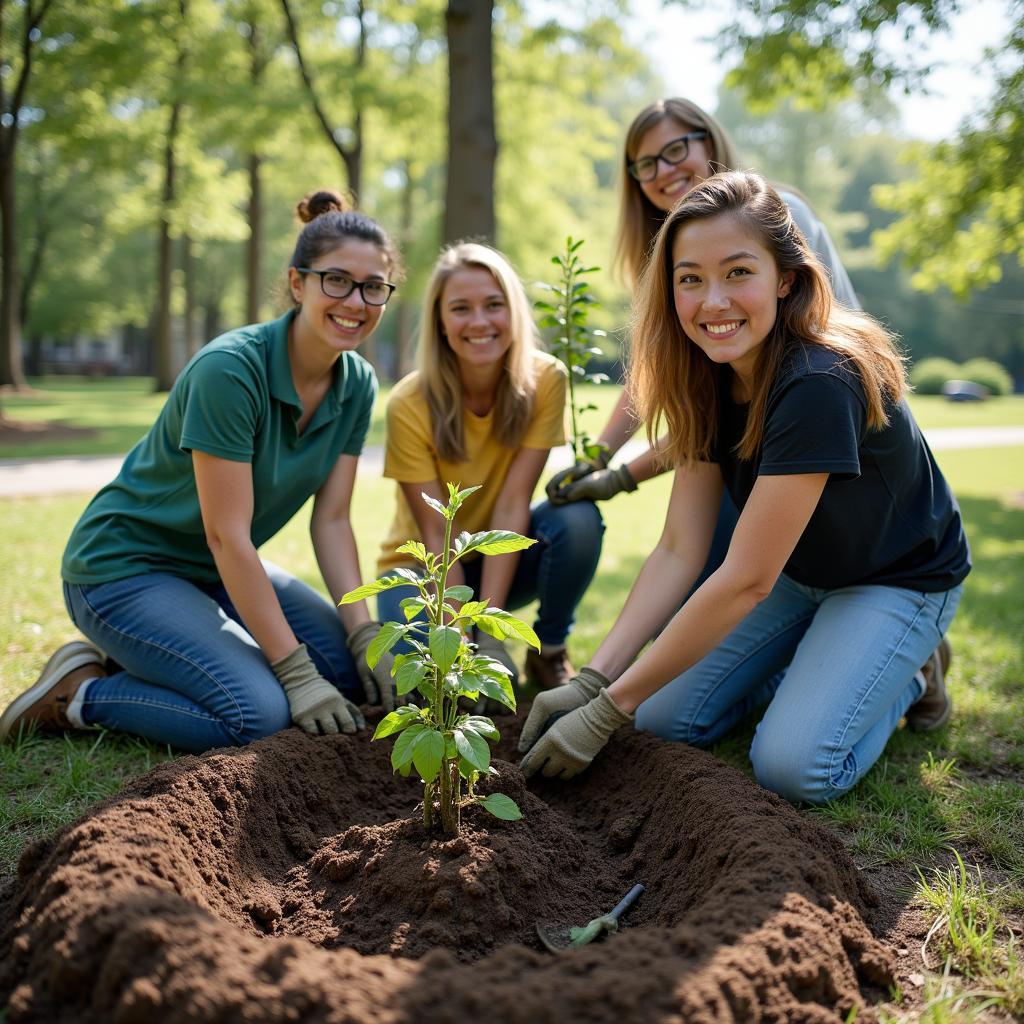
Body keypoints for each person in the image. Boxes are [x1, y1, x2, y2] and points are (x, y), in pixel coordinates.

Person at [519, 171, 970, 804]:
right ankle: (819, 663)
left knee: (793, 767)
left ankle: (911, 677)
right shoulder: (707, 375)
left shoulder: (818, 378)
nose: (713, 302)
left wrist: (604, 713)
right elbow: (680, 549)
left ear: (785, 278)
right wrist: (596, 680)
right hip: (799, 575)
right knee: (661, 718)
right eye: (690, 278)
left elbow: (746, 580)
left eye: (738, 272)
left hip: (896, 577)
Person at [1, 190, 403, 753]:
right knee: (259, 711)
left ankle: (159, 648)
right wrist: (293, 673)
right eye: (336, 280)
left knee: (341, 672)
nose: (355, 301)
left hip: (212, 573)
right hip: (123, 569)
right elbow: (226, 534)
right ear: (297, 283)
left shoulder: (358, 383)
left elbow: (332, 521)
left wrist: (364, 633)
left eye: (373, 287)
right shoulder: (230, 370)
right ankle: (78, 694)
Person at [547, 96, 858, 511]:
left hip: (811, 443)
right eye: (646, 164)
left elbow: (713, 417)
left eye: (675, 150)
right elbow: (658, 371)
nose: (664, 171)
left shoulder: (776, 217)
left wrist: (621, 477)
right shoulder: (669, 259)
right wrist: (599, 455)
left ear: (710, 143)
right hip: (740, 457)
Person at [375, 242, 604, 691]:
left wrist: (491, 631)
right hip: (423, 569)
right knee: (425, 679)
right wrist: (458, 642)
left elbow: (513, 502)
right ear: (441, 321)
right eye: (461, 308)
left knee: (576, 521)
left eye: (493, 305)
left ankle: (550, 652)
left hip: (501, 557)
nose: (479, 322)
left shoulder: (546, 379)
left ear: (513, 312)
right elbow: (437, 532)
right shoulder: (408, 402)